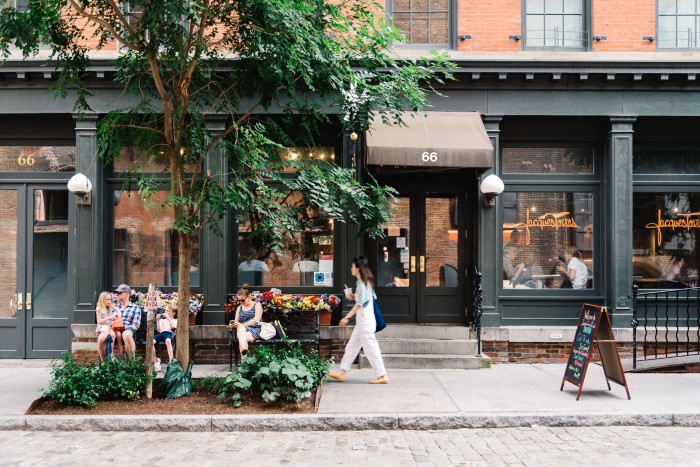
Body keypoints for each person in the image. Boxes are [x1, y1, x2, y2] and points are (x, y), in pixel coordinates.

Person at [328, 255, 389, 384]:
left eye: (352, 266)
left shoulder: (362, 284)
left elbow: (360, 304)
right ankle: (342, 372)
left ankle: (382, 374)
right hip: (363, 322)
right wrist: (353, 296)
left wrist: (346, 317)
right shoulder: (363, 283)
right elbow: (364, 299)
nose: (351, 268)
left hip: (365, 323)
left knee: (371, 349)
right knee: (351, 347)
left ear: (357, 268)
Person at [228, 284, 263, 359]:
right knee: (242, 336)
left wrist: (242, 325)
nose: (241, 302)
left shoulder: (257, 305)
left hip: (255, 329)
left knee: (241, 336)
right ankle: (244, 358)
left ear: (249, 296)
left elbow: (256, 320)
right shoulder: (239, 308)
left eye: (243, 300)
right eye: (239, 300)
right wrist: (232, 325)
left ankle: (244, 362)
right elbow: (236, 321)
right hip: (243, 331)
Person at [113, 283, 142, 355]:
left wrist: (122, 327)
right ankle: (106, 363)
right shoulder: (114, 307)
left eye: (119, 293)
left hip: (128, 329)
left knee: (126, 334)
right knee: (104, 335)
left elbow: (135, 326)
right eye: (117, 293)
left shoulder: (135, 307)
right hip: (114, 329)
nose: (117, 294)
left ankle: (131, 362)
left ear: (127, 294)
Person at [152, 303, 177, 371]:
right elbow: (159, 330)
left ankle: (171, 360)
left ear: (173, 313)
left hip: (169, 333)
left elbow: (172, 328)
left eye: (168, 311)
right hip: (162, 333)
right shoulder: (162, 320)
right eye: (166, 310)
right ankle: (155, 361)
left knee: (168, 341)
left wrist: (168, 318)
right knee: (151, 342)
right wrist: (158, 320)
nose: (166, 312)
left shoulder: (175, 320)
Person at [95, 292, 118, 362]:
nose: (109, 301)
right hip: (102, 326)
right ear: (102, 300)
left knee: (113, 335)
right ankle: (103, 359)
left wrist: (114, 307)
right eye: (107, 299)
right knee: (105, 337)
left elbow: (118, 312)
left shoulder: (109, 307)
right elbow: (99, 321)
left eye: (110, 299)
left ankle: (111, 353)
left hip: (109, 327)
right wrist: (110, 317)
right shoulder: (99, 308)